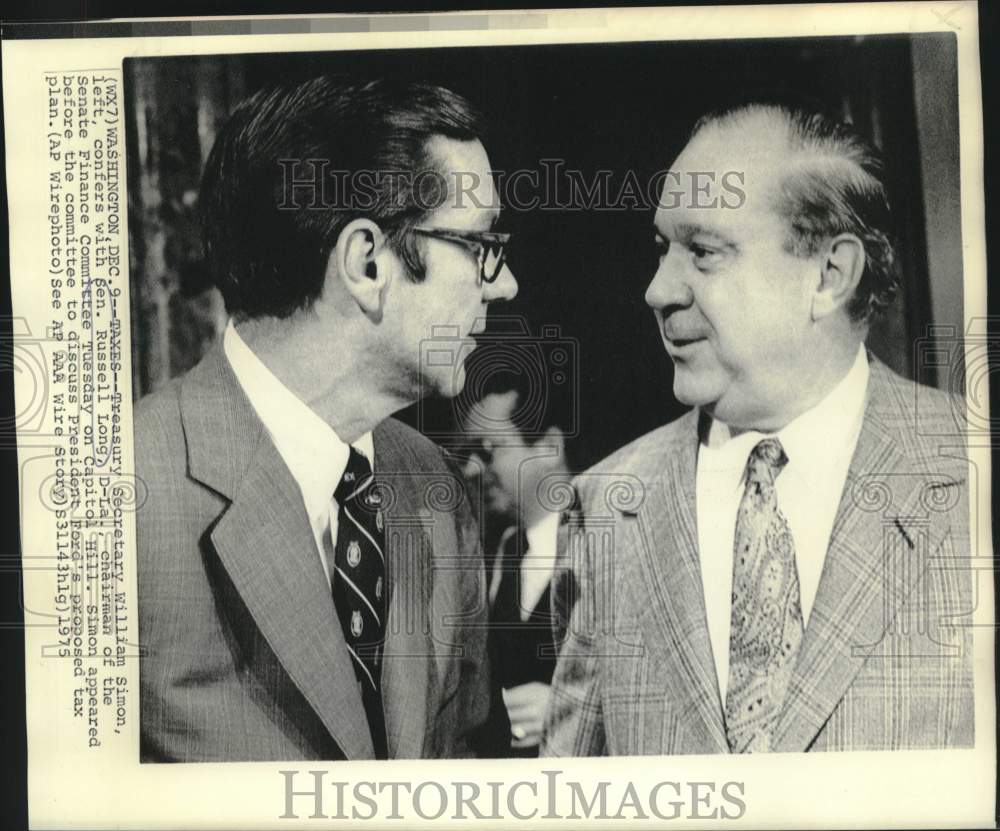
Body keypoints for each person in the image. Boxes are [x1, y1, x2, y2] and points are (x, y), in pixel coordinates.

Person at [543, 101, 972, 755]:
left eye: (704, 251)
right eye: (662, 248)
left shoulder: (971, 474)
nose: (659, 289)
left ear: (829, 274)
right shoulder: (609, 504)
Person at [135, 76, 518, 762]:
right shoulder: (121, 497)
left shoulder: (434, 487)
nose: (505, 283)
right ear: (367, 262)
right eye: (483, 246)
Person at [457, 359, 575, 756]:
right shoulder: (499, 552)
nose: (472, 468)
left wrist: (571, 708)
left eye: (490, 450)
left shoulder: (612, 543)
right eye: (470, 452)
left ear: (550, 447)